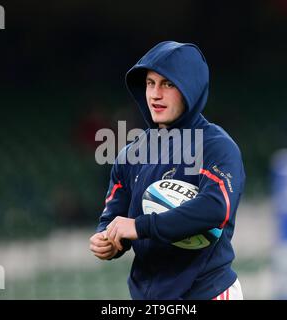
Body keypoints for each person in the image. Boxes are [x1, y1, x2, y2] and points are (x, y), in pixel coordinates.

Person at [89, 41, 246, 300]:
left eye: (168, 84)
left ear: (190, 89)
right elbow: (115, 218)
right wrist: (107, 239)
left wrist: (140, 226)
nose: (155, 94)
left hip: (208, 292)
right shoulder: (130, 154)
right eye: (150, 83)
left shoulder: (216, 146)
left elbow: (216, 207)